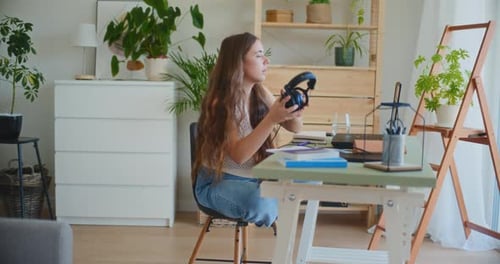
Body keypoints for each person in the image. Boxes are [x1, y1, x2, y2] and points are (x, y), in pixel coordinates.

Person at [192, 32, 304, 227]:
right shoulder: (222, 102)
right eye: (258, 55)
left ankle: (279, 198)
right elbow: (239, 155)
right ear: (238, 62)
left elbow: (295, 128)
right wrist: (271, 119)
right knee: (261, 204)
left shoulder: (260, 93)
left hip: (254, 180)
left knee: (311, 181)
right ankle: (280, 200)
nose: (266, 60)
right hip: (218, 183)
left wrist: (292, 109)